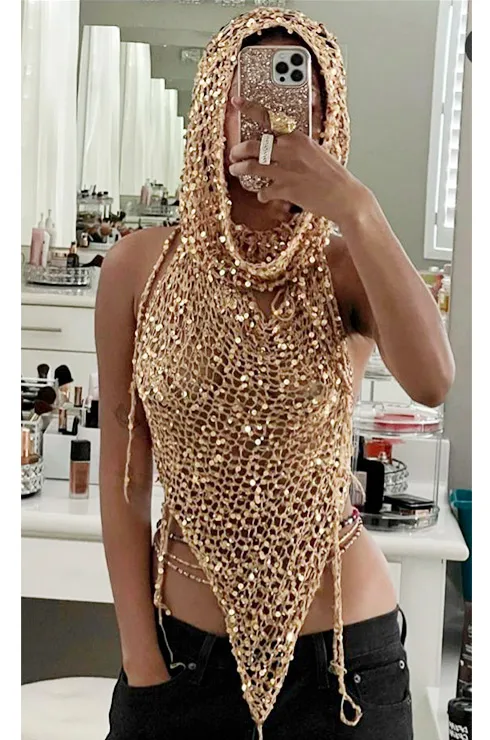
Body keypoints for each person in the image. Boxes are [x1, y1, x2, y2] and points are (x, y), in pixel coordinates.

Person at [96, 9, 454, 740]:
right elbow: (125, 473)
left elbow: (433, 381)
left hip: (344, 668)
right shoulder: (140, 265)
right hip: (178, 661)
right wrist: (141, 657)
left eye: (303, 104)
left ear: (330, 121)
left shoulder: (345, 265)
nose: (275, 121)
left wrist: (355, 206)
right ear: (212, 111)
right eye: (247, 98)